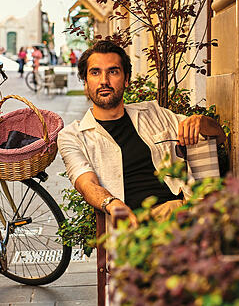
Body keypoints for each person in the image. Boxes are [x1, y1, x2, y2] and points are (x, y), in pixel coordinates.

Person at [58, 40, 226, 226]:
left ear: (126, 79)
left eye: (113, 72)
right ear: (86, 82)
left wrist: (201, 121)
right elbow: (86, 183)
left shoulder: (154, 113)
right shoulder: (73, 136)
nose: (104, 81)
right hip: (138, 224)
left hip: (183, 211)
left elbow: (218, 136)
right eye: (95, 72)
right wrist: (112, 204)